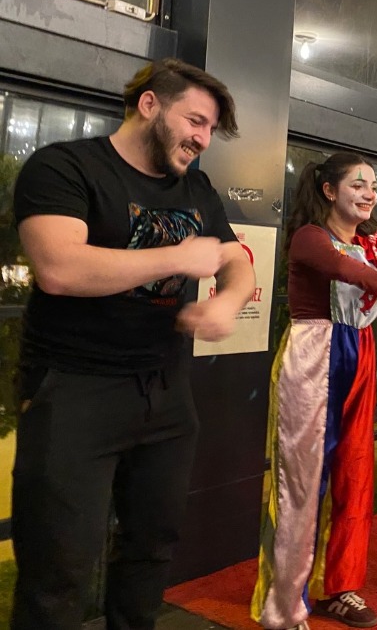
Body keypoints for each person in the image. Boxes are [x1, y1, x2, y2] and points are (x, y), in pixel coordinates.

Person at [11, 58, 256, 630]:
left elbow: (235, 261)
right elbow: (59, 268)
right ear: (150, 105)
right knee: (59, 569)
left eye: (210, 129)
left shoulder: (196, 187)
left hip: (165, 392)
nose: (203, 139)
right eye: (195, 121)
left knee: (152, 548)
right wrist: (178, 256)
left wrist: (226, 301)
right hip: (74, 391)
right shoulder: (65, 167)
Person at [251, 151, 377, 630]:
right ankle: (284, 603)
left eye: (373, 186)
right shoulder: (310, 236)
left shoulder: (375, 242)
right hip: (314, 355)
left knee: (355, 477)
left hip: (360, 355)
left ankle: (340, 588)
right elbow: (339, 266)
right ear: (329, 190)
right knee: (301, 482)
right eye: (358, 184)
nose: (369, 193)